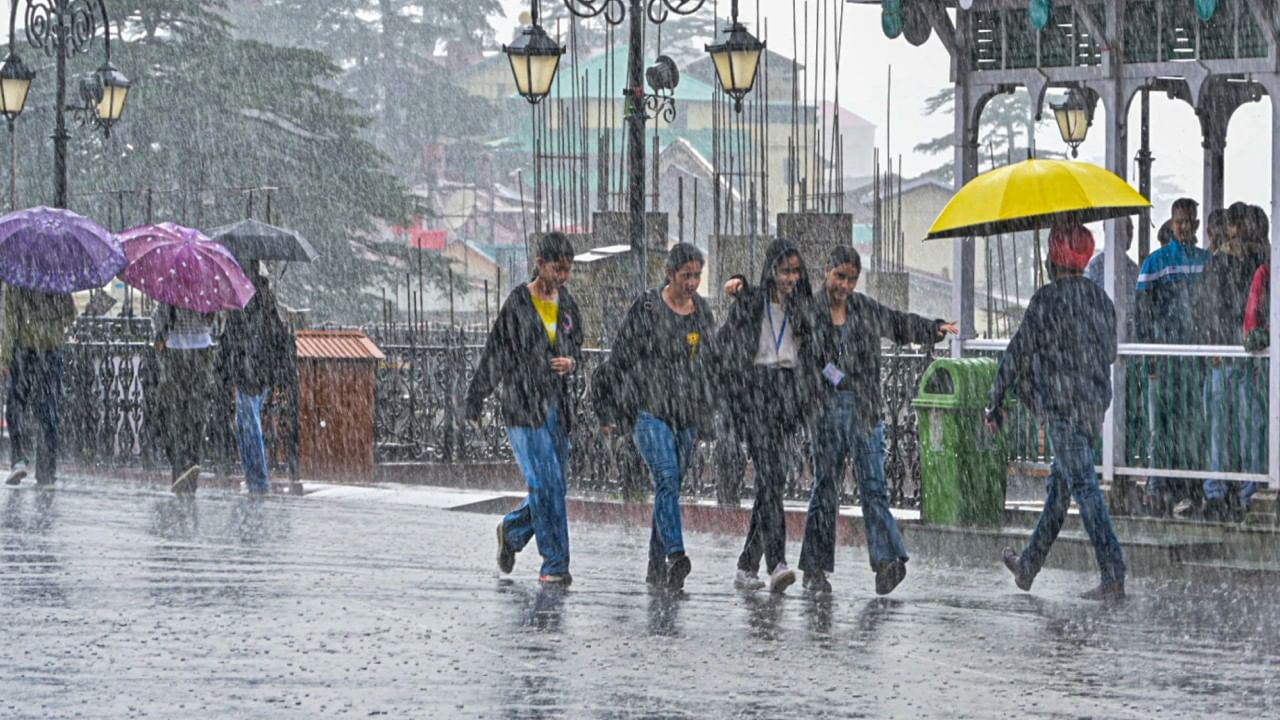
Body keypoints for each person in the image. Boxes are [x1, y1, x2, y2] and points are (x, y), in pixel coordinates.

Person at [795, 246, 954, 596]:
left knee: (874, 486)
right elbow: (812, 360)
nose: (846, 286)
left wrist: (933, 328)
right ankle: (815, 568)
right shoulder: (812, 312)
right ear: (827, 271)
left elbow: (898, 323)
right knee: (826, 487)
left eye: (852, 279)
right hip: (827, 411)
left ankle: (886, 562)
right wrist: (839, 380)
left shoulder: (864, 309)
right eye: (840, 277)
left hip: (865, 409)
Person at [989, 223, 1126, 601]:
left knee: (1084, 489)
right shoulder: (1100, 300)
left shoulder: (1046, 300)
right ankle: (1028, 567)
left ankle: (1114, 573)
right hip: (1091, 407)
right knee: (1059, 490)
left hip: (1062, 408)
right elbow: (1110, 353)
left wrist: (995, 397)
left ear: (1053, 257)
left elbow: (1017, 352)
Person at [599, 243, 719, 591]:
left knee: (669, 491)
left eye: (697, 276)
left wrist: (707, 416)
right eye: (686, 275)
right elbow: (619, 359)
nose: (692, 283)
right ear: (670, 274)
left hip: (686, 416)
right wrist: (612, 409)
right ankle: (676, 555)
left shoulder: (702, 313)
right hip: (649, 412)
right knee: (666, 478)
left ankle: (656, 568)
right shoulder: (648, 307)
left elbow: (711, 367)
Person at [465, 232, 583, 585]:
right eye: (556, 269)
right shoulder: (518, 303)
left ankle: (513, 530)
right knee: (543, 483)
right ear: (539, 263)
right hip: (523, 406)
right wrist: (477, 395)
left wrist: (570, 362)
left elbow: (575, 341)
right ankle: (555, 563)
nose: (561, 277)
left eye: (567, 270)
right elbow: (496, 351)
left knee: (554, 486)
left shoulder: (568, 304)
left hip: (556, 408)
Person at [717, 238, 821, 594]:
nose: (790, 278)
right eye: (784, 271)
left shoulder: (803, 308)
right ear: (771, 270)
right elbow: (727, 345)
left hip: (786, 398)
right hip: (756, 396)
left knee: (769, 486)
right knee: (772, 477)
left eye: (795, 271)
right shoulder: (752, 301)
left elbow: (815, 352)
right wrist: (737, 281)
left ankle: (747, 566)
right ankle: (776, 562)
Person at [1135, 198, 1210, 514]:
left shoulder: (1206, 261)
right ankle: (1160, 486)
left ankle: (1191, 487)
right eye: (1179, 221)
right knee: (1162, 425)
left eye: (1189, 221)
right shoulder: (1156, 263)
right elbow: (1142, 313)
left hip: (1194, 360)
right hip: (1165, 358)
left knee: (1192, 425)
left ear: (1195, 225)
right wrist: (1150, 350)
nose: (1184, 226)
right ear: (1171, 223)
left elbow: (1211, 308)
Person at [219, 265, 293, 494]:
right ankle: (253, 478)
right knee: (247, 423)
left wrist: (224, 369)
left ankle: (258, 480)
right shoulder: (267, 301)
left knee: (248, 425)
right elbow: (279, 336)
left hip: (248, 370)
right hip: (261, 370)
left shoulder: (242, 301)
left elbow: (231, 339)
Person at [1, 284, 76, 486]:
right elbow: (70, 314)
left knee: (16, 405)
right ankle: (46, 470)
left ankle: (19, 460)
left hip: (24, 348)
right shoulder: (57, 276)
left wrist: (5, 357)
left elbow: (9, 318)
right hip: (52, 348)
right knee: (48, 409)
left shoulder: (18, 276)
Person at [153, 301, 221, 493]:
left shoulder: (171, 285)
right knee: (196, 411)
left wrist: (160, 333)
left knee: (173, 412)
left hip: (176, 350)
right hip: (202, 350)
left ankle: (178, 465)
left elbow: (159, 318)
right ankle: (193, 461)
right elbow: (213, 321)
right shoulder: (206, 287)